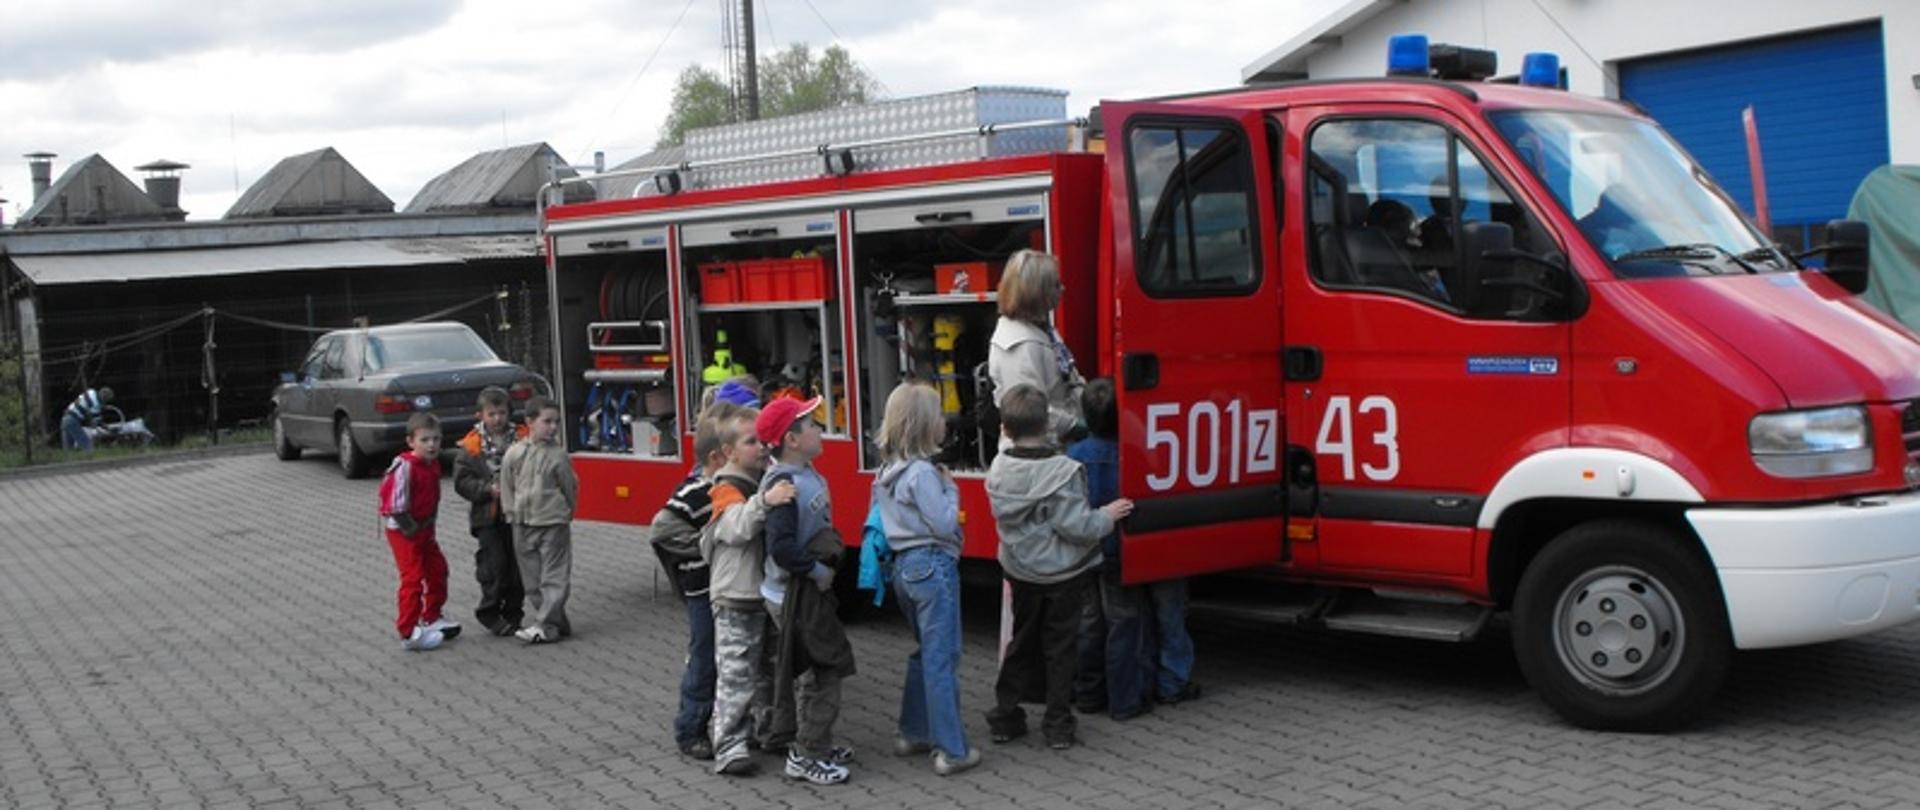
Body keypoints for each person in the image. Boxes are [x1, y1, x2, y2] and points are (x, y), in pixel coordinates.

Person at [984, 384, 1134, 750]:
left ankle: (1005, 716)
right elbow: (1077, 527)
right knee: (1060, 648)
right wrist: (1106, 515)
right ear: (1048, 424)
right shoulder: (1063, 471)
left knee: (1021, 641)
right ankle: (1057, 725)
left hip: (1019, 570)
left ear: (1005, 429)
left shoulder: (999, 467)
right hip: (1062, 576)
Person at [1068, 379, 1200, 721]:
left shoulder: (1072, 456)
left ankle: (1088, 694)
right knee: (1124, 625)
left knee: (1088, 623)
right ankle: (1126, 700)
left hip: (1082, 553)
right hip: (1117, 553)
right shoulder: (1133, 455)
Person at [873, 383, 980, 776]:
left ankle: (913, 731)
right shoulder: (923, 473)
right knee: (942, 658)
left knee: (925, 653)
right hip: (933, 566)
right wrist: (952, 491)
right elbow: (943, 523)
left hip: (905, 568)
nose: (945, 422)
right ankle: (951, 750)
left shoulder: (888, 470)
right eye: (939, 416)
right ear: (922, 424)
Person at [760, 396, 856, 785]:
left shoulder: (804, 473)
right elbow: (781, 548)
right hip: (795, 597)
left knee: (814, 671)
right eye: (812, 425)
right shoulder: (786, 487)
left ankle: (812, 741)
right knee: (825, 670)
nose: (820, 430)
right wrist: (816, 572)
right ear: (792, 440)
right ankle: (807, 755)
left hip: (803, 594)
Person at [701, 405, 795, 777]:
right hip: (735, 596)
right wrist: (764, 502)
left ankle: (766, 731)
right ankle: (728, 745)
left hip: (761, 594)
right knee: (736, 674)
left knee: (766, 672)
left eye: (763, 440)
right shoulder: (726, 487)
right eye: (751, 441)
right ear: (728, 452)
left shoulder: (761, 480)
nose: (761, 447)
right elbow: (736, 527)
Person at [650, 402, 747, 760]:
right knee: (705, 658)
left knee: (732, 658)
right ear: (718, 457)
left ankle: (735, 725)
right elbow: (661, 530)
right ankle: (691, 728)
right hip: (703, 590)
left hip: (727, 588)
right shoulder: (695, 492)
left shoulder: (733, 485)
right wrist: (706, 548)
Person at [377, 412, 461, 652]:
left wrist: (428, 527)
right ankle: (408, 631)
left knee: (437, 570)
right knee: (412, 578)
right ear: (411, 442)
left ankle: (432, 616)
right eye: (424, 440)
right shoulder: (405, 466)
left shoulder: (433, 465)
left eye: (436, 439)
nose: (431, 445)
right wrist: (411, 529)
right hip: (405, 532)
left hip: (425, 530)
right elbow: (395, 505)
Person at [500, 397, 579, 645]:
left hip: (553, 522)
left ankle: (544, 624)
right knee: (532, 581)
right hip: (523, 523)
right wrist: (510, 512)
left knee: (553, 576)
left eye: (556, 422)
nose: (553, 427)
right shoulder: (515, 453)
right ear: (530, 422)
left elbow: (569, 485)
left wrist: (567, 512)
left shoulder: (558, 455)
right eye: (547, 422)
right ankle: (556, 624)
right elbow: (506, 484)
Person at [989, 249, 1084, 449]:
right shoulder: (1019, 345)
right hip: (1035, 454)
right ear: (1037, 292)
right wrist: (1074, 426)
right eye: (1055, 285)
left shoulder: (1039, 328)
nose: (1063, 289)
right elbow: (1029, 411)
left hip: (1053, 445)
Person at [453, 387, 528, 637]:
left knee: (518, 566)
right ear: (480, 416)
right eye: (492, 414)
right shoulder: (472, 446)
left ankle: (513, 613)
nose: (497, 419)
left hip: (517, 513)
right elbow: (462, 481)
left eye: (502, 413)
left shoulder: (522, 438)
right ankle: (489, 611)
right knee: (494, 564)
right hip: (487, 515)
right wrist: (486, 490)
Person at [60, 386, 114, 450]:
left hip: (65, 417)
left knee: (68, 450)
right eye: (106, 400)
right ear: (104, 398)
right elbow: (96, 421)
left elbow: (85, 405)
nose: (105, 403)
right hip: (73, 420)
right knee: (87, 447)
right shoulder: (96, 404)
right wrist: (108, 428)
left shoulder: (91, 391)